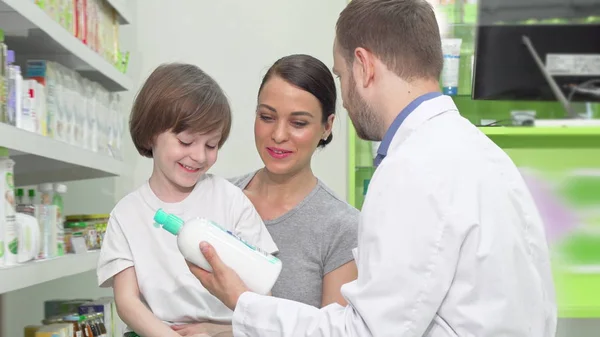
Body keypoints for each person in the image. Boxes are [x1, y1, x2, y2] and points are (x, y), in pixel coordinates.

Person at [187, 0, 558, 336]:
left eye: (341, 75)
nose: (345, 98)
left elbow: (365, 333)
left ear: (363, 66)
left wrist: (245, 303)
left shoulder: (412, 169)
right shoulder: (485, 156)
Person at [173, 54, 360, 336]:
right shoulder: (215, 196)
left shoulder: (342, 227)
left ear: (327, 126)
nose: (278, 135)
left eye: (298, 123)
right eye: (267, 117)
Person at [96, 63, 278, 337]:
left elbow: (263, 294)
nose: (199, 156)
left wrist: (219, 331)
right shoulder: (127, 215)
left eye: (211, 145)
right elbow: (127, 302)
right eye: (185, 141)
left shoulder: (229, 200)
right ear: (150, 135)